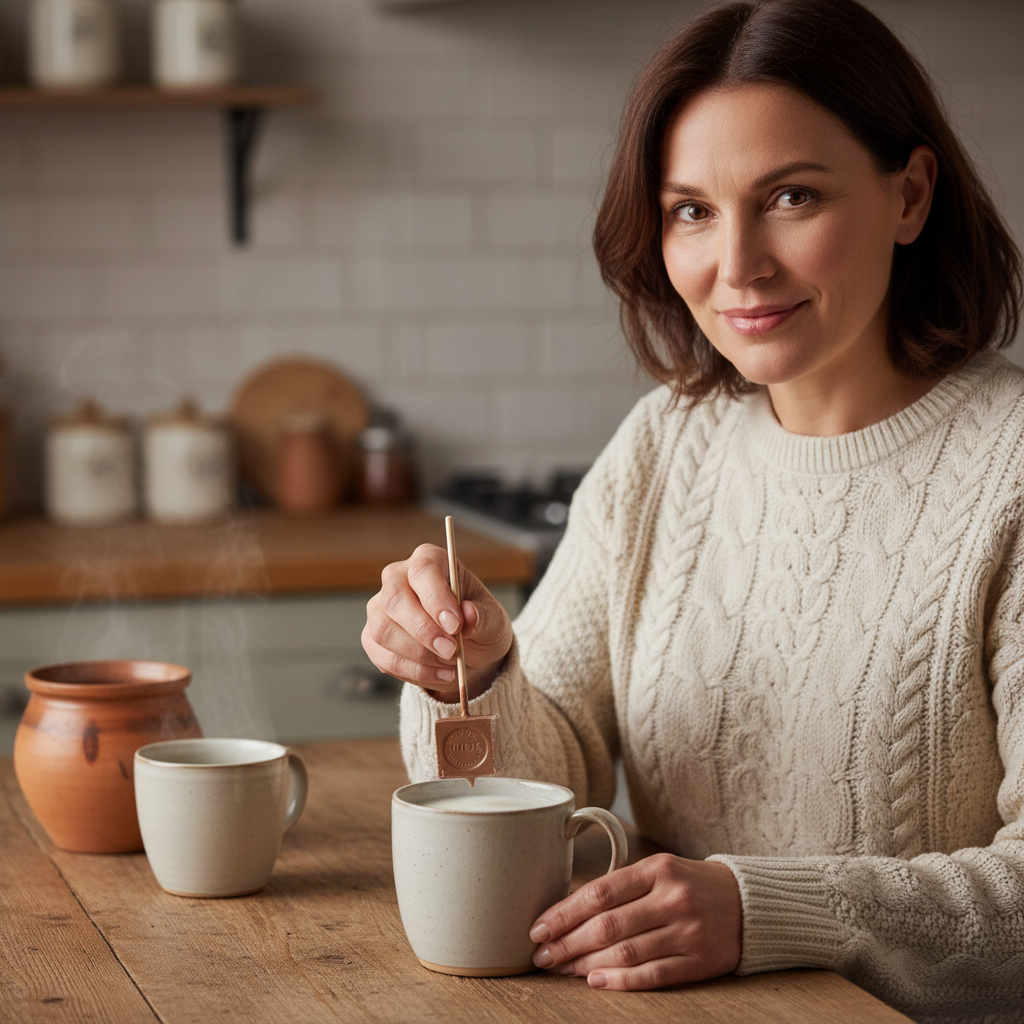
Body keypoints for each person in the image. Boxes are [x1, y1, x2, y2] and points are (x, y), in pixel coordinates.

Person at [361, 1, 1024, 1020]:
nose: (737, 265)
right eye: (692, 211)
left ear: (910, 194)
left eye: (792, 196)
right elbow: (546, 781)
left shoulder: (1008, 469)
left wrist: (764, 912)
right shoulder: (665, 445)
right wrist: (478, 674)